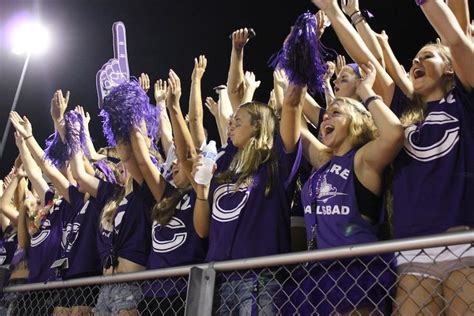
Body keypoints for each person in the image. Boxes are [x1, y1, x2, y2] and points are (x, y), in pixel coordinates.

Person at [310, 0, 474, 314]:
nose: (415, 62)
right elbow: (367, 59)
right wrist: (332, 10)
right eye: (413, 59)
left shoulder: (464, 102)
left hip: (464, 243)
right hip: (412, 250)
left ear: (451, 67)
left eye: (426, 56)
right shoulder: (403, 109)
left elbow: (455, 37)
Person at [297, 61, 403, 314]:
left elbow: (393, 135)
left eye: (335, 113)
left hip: (355, 268)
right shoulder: (323, 160)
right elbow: (296, 128)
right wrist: (294, 74)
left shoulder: (362, 159)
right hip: (319, 271)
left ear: (357, 120)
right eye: (324, 117)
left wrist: (366, 90)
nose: (325, 119)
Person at [192, 74, 303, 314]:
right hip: (218, 281)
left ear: (257, 126)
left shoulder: (275, 163)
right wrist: (201, 192)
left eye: (238, 121)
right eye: (230, 121)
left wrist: (297, 63)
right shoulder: (222, 168)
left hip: (260, 280)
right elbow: (202, 231)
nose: (230, 124)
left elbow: (293, 105)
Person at [132, 70, 207, 316]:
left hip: (183, 291)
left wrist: (173, 107)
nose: (173, 165)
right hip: (153, 292)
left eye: (179, 164)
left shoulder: (200, 191)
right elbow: (143, 160)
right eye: (171, 164)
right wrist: (134, 109)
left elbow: (187, 154)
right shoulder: (165, 195)